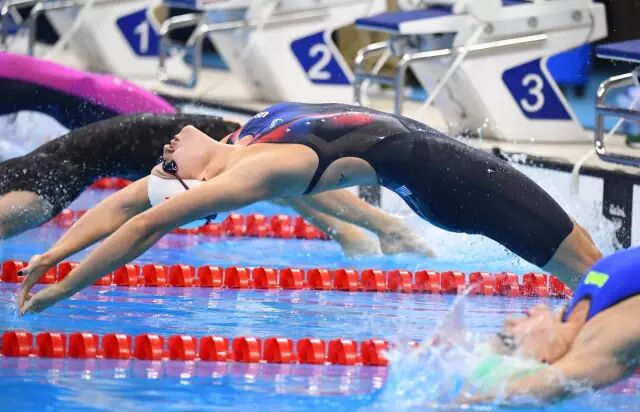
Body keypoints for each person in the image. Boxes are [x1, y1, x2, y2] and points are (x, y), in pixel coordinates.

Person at [18, 102, 602, 313]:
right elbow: (144, 224)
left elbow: (125, 205)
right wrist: (63, 288)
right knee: (594, 273)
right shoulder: (253, 172)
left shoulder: (242, 139)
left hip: (448, 168)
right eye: (169, 169)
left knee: (592, 269)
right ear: (198, 184)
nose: (163, 155)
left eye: (161, 165)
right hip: (461, 184)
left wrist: (52, 254)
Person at [0, 52, 432, 256]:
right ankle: (363, 231)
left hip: (156, 122)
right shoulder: (52, 172)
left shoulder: (49, 177)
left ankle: (379, 228)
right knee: (274, 181)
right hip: (147, 125)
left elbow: (134, 219)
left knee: (270, 175)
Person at [461, 246, 640, 404]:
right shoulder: (605, 340)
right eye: (508, 339)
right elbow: (548, 382)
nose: (509, 321)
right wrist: (461, 403)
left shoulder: (571, 317)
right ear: (542, 360)